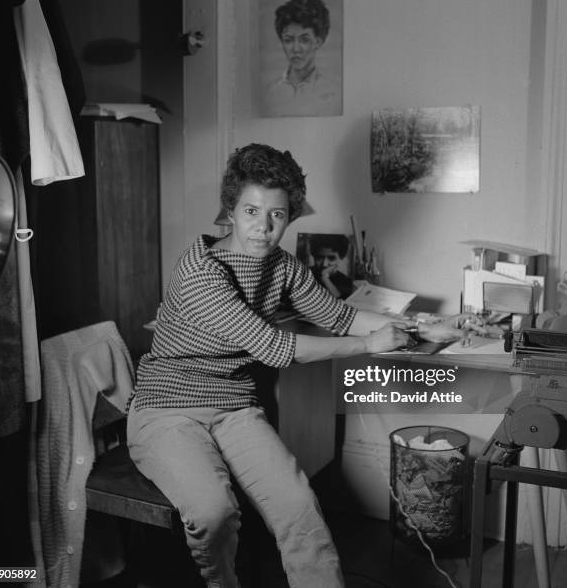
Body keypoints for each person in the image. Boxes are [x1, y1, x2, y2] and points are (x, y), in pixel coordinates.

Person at [127, 143, 471, 588]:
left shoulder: (283, 267)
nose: (264, 228)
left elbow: (340, 315)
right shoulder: (200, 271)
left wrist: (425, 326)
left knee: (300, 508)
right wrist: (368, 344)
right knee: (215, 512)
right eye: (251, 212)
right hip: (166, 410)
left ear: (290, 216)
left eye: (277, 215)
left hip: (233, 406)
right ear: (229, 211)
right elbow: (274, 347)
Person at [262, 0, 341, 117]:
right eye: (288, 40)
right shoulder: (269, 93)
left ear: (318, 42)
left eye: (304, 39)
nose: (295, 49)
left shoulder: (334, 93)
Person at [309, 234, 354, 299]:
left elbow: (342, 304)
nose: (325, 264)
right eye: (319, 257)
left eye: (331, 258)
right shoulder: (304, 275)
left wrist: (325, 278)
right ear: (314, 256)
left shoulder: (346, 282)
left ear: (341, 257)